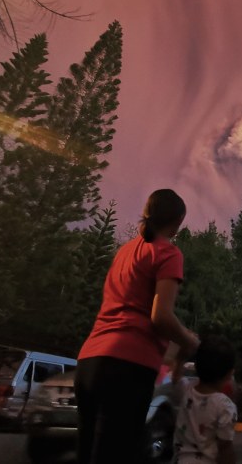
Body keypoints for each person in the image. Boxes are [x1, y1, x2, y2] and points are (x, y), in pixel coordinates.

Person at [75, 189, 200, 464]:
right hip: (127, 366)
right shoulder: (168, 253)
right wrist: (189, 342)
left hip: (89, 361)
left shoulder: (124, 251)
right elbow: (161, 317)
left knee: (90, 454)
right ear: (178, 221)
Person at [173, 336, 238, 464]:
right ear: (230, 374)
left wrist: (180, 358)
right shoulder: (225, 406)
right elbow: (225, 448)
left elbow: (175, 378)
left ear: (196, 367)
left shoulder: (186, 389)